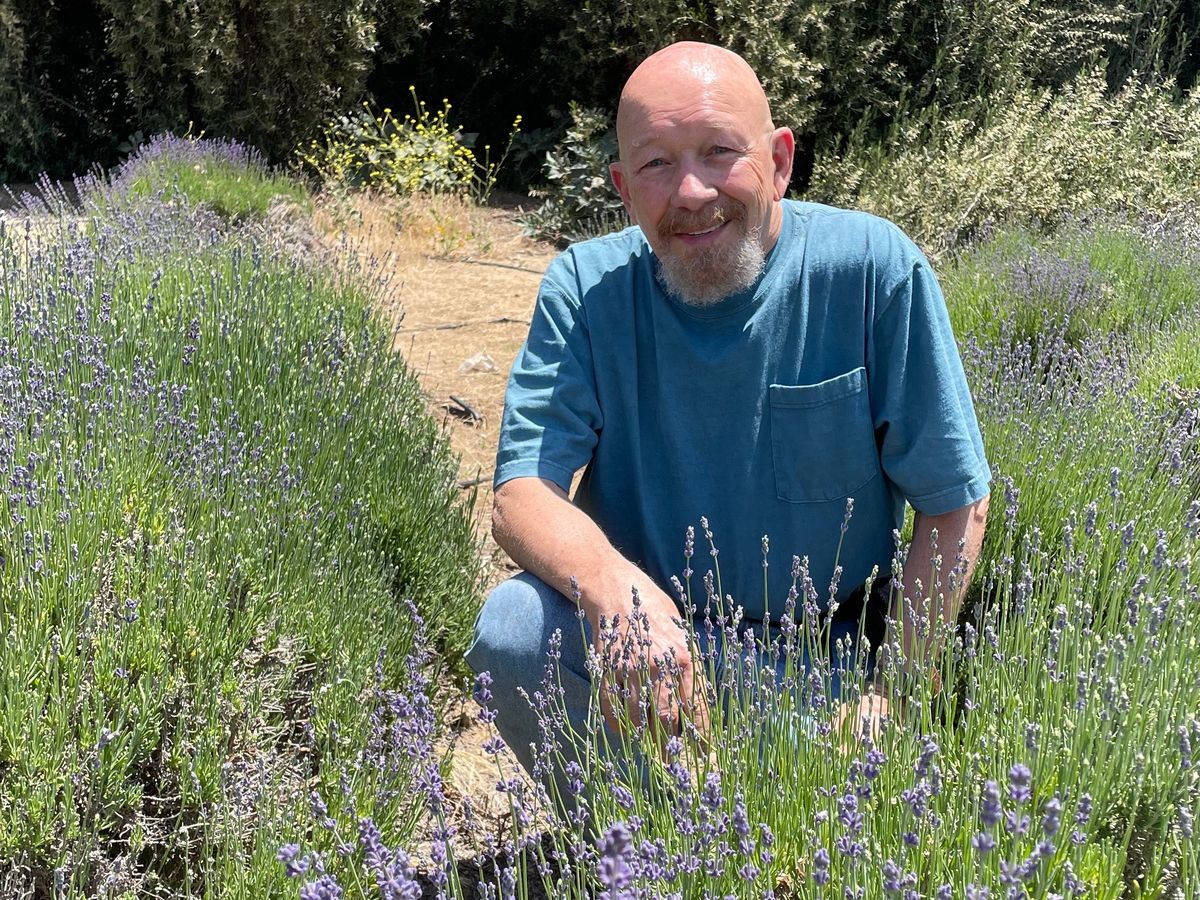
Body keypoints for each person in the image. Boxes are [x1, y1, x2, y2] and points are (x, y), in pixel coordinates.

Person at [465, 41, 991, 789]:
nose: (690, 191)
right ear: (623, 189)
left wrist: (893, 690)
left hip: (829, 662)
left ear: (779, 162)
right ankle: (645, 840)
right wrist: (619, 598)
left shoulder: (872, 271)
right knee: (514, 630)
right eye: (656, 163)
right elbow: (521, 495)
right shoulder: (585, 290)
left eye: (719, 151)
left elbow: (956, 502)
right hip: (648, 654)